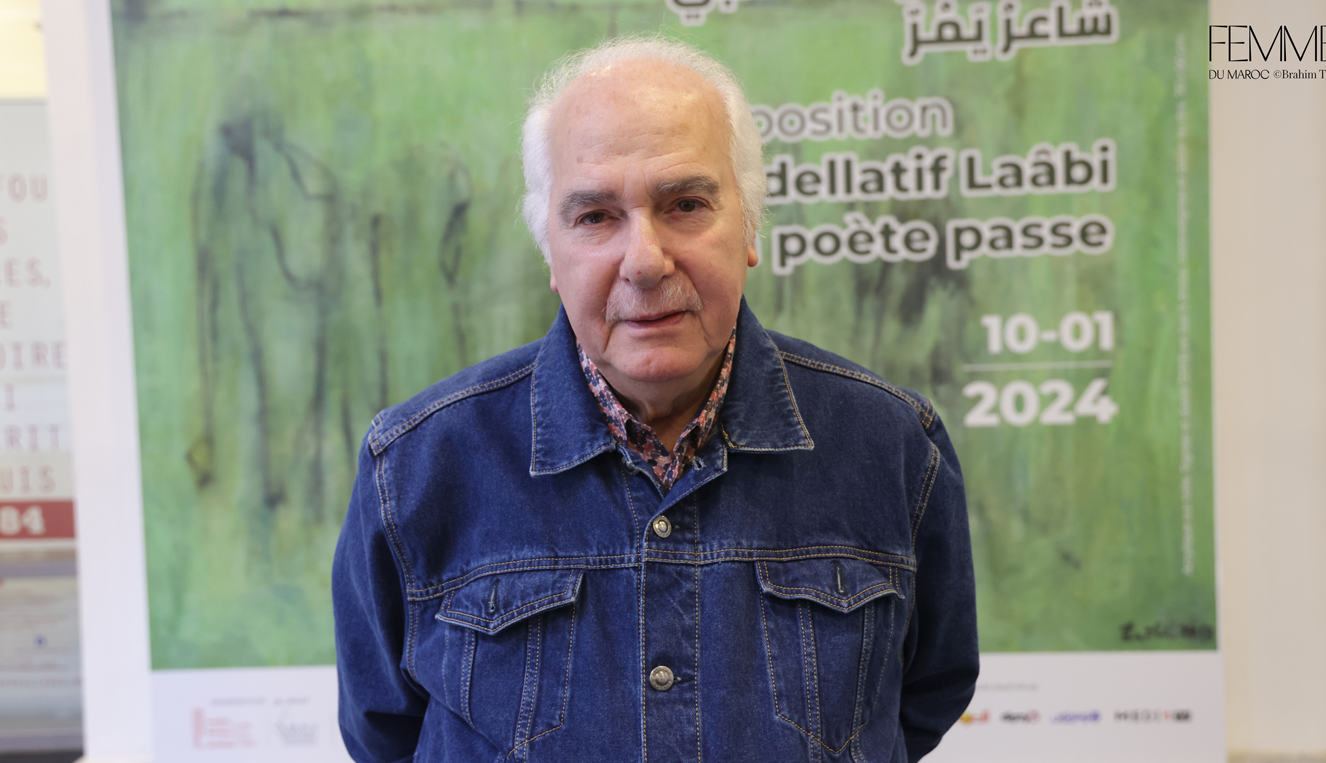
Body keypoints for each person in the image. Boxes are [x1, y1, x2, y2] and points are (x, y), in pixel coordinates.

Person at [333, 34, 978, 763]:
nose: (644, 261)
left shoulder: (893, 446)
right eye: (595, 217)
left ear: (749, 226)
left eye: (686, 204)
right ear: (551, 251)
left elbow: (927, 694)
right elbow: (383, 733)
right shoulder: (414, 468)